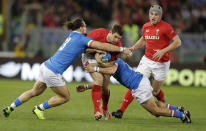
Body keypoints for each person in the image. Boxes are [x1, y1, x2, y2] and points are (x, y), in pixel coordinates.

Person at [2, 18, 132, 120]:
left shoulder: (71, 36)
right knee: (65, 97)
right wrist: (122, 49)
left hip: (45, 65)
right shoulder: (82, 39)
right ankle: (39, 108)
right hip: (53, 72)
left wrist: (97, 51)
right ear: (81, 28)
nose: (86, 28)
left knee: (34, 91)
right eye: (85, 26)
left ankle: (10, 107)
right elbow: (102, 45)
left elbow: (93, 48)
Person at [77, 53, 191, 123]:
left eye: (101, 56)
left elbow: (110, 70)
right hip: (140, 82)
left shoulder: (112, 61)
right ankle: (178, 109)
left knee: (155, 111)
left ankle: (183, 115)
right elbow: (101, 84)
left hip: (138, 85)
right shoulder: (110, 63)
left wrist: (95, 69)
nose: (99, 58)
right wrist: (86, 86)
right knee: (155, 105)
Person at [112, 4, 182, 119]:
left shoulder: (166, 27)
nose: (153, 16)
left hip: (162, 64)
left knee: (154, 92)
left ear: (160, 16)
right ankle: (121, 110)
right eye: (151, 14)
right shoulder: (146, 27)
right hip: (147, 60)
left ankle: (164, 107)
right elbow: (143, 40)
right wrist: (133, 48)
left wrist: (163, 51)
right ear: (149, 14)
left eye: (156, 14)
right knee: (134, 83)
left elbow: (178, 42)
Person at [77, 25, 124, 120]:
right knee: (99, 79)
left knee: (105, 88)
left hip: (102, 62)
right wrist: (95, 49)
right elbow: (83, 48)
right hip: (89, 57)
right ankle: (97, 111)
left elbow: (110, 65)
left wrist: (100, 61)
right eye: (115, 36)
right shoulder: (98, 33)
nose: (116, 40)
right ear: (110, 32)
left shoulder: (118, 46)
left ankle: (105, 108)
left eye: (119, 38)